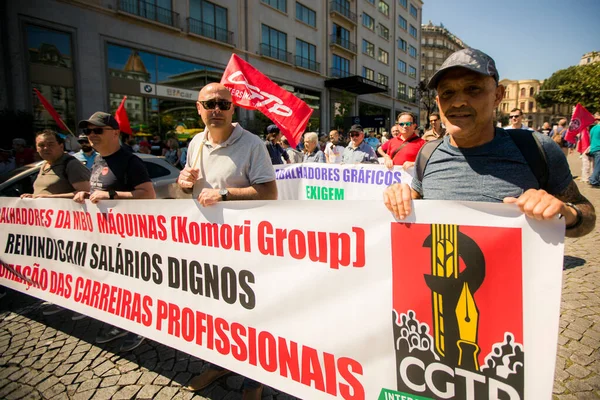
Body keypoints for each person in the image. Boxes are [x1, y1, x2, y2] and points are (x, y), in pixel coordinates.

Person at [383, 48, 595, 239]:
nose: (458, 102)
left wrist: (566, 214)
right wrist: (400, 195)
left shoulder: (536, 148)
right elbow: (416, 197)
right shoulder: (428, 153)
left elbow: (585, 213)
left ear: (497, 95)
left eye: (473, 89)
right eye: (448, 93)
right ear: (438, 102)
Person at [178, 83, 276, 400]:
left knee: (250, 315)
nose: (216, 109)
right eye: (210, 104)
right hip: (206, 247)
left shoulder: (252, 144)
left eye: (223, 103)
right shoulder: (195, 143)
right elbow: (185, 192)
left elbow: (269, 192)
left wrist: (223, 194)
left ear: (233, 108)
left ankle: (253, 381)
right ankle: (219, 363)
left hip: (244, 250)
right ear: (199, 108)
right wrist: (182, 184)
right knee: (214, 312)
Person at [74, 111, 156, 352]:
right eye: (88, 131)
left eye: (97, 130)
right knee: (115, 285)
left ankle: (141, 328)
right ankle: (121, 322)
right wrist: (86, 195)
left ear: (115, 133)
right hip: (105, 237)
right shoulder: (98, 161)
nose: (91, 135)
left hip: (132, 239)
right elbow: (98, 190)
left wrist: (111, 195)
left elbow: (147, 194)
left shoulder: (130, 161)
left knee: (134, 286)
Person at [21, 130, 90, 200]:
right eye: (41, 145)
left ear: (61, 146)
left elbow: (85, 193)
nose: (46, 148)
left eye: (50, 144)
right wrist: (33, 196)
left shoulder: (71, 164)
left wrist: (49, 198)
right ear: (37, 149)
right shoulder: (45, 164)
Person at [588, 113, 600, 188]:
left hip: (593, 148)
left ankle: (596, 180)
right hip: (599, 148)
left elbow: (590, 139)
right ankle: (593, 180)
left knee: (596, 165)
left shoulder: (593, 128)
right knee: (598, 166)